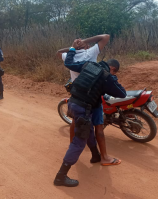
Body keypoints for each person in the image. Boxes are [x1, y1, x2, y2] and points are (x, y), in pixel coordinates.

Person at [54, 39, 127, 187]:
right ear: (112, 68)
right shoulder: (107, 76)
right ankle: (61, 176)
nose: (114, 73)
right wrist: (113, 79)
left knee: (89, 132)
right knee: (79, 142)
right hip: (83, 108)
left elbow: (69, 64)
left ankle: (95, 156)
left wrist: (73, 49)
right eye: (115, 71)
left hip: (73, 103)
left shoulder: (89, 65)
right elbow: (122, 94)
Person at [57, 35, 118, 166]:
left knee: (76, 122)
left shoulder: (70, 56)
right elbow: (105, 36)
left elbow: (58, 52)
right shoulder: (91, 52)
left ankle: (72, 147)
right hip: (93, 96)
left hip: (78, 97)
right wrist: (85, 41)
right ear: (86, 47)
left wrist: (73, 46)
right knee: (98, 126)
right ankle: (104, 157)